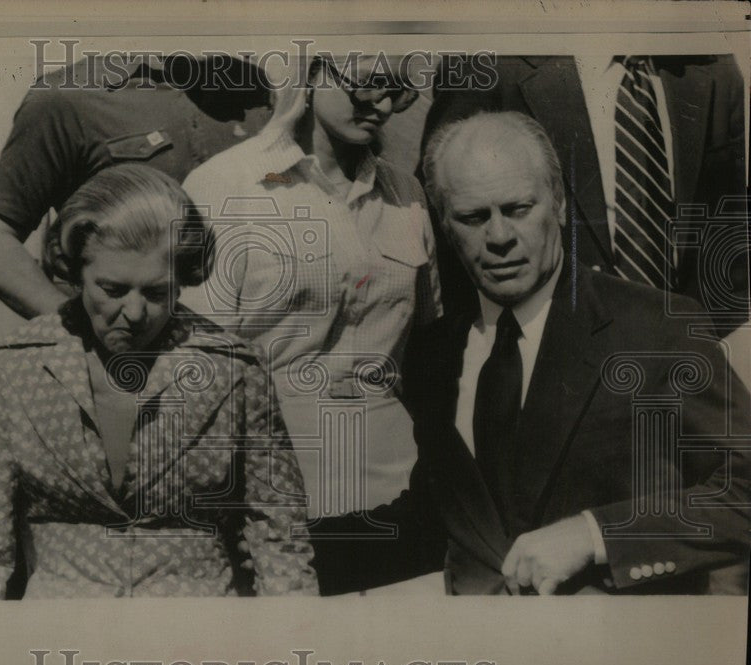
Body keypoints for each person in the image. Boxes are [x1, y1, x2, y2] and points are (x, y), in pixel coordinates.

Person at [318, 111, 751, 595]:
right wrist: (273, 545)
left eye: (518, 208)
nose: (500, 237)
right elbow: (442, 522)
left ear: (560, 203)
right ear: (444, 223)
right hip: (480, 661)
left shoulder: (655, 330)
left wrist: (594, 534)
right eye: (473, 217)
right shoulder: (433, 354)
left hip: (610, 657)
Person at [0, 165, 318, 599]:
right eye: (112, 289)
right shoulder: (12, 371)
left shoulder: (235, 372)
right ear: (76, 271)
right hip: (59, 646)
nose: (134, 313)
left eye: (156, 292)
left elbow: (281, 543)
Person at [180, 55, 442, 529]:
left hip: (396, 474)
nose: (381, 104)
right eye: (366, 85)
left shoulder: (407, 195)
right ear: (311, 70)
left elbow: (428, 344)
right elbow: (196, 360)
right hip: (267, 472)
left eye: (399, 92)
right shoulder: (224, 185)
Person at [422, 54, 748, 335]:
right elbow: (450, 223)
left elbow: (728, 243)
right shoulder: (490, 62)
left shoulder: (713, 71)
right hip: (548, 361)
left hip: (676, 360)